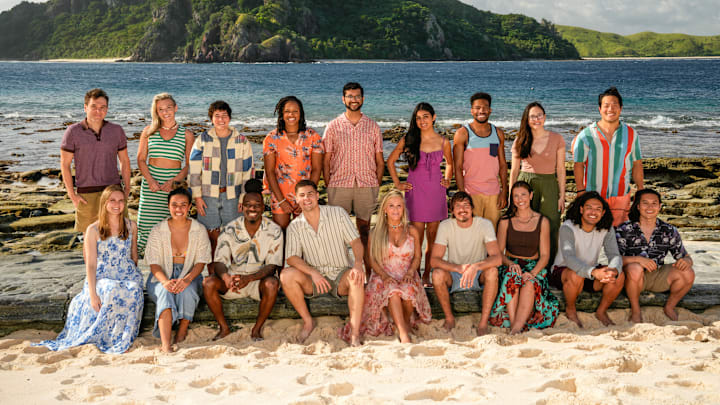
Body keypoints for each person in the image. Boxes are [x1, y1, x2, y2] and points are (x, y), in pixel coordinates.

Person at [35, 185, 143, 354]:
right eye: (112, 200)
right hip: (102, 275)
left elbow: (134, 256)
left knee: (134, 289)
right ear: (104, 203)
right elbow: (91, 264)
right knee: (111, 289)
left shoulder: (131, 226)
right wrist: (92, 294)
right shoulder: (93, 230)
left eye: (121, 201)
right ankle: (105, 337)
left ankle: (120, 336)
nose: (117, 204)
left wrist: (133, 276)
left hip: (126, 273)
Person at [280, 180, 365, 346]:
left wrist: (358, 264)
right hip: (315, 280)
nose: (307, 199)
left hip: (340, 274)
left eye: (310, 194)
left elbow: (355, 242)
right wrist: (313, 273)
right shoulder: (294, 226)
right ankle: (308, 322)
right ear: (296, 199)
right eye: (302, 195)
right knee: (286, 275)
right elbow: (291, 258)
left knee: (356, 277)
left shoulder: (337, 214)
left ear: (317, 195)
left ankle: (354, 334)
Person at [340, 190, 432, 343]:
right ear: (384, 209)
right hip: (382, 275)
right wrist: (384, 276)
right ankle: (403, 334)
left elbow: (417, 257)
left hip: (406, 273)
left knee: (408, 291)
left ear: (403, 209)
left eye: (399, 206)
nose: (395, 210)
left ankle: (402, 322)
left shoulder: (412, 231)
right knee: (392, 291)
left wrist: (410, 273)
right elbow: (372, 260)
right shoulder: (375, 233)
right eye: (391, 206)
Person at [202, 179, 283, 341]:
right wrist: (226, 277)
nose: (252, 208)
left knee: (272, 283)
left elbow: (272, 265)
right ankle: (224, 328)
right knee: (208, 282)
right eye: (248, 204)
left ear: (263, 207)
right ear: (242, 207)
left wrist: (250, 278)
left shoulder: (274, 230)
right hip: (233, 280)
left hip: (257, 281)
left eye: (257, 204)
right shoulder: (230, 229)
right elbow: (219, 261)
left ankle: (257, 329)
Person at [387, 102, 453, 286]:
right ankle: (415, 274)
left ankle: (427, 276)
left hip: (436, 194)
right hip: (415, 193)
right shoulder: (409, 139)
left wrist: (447, 179)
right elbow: (390, 161)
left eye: (425, 117)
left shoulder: (443, 141)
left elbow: (450, 163)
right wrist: (398, 183)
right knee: (417, 238)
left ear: (433, 117)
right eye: (418, 118)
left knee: (433, 238)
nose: (422, 121)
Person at [322, 82, 384, 276]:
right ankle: (340, 273)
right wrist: (328, 184)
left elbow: (380, 160)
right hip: (339, 185)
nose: (354, 100)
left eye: (357, 96)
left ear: (363, 99)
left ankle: (368, 272)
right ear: (343, 99)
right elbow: (326, 160)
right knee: (337, 232)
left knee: (365, 230)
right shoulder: (333, 127)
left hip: (367, 185)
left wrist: (377, 183)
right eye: (350, 96)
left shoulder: (373, 127)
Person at [189, 101, 254, 274]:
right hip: (208, 194)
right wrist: (197, 196)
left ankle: (233, 274)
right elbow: (194, 169)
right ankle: (213, 275)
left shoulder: (241, 140)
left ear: (230, 117)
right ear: (211, 118)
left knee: (234, 235)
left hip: (233, 194)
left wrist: (244, 197)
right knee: (211, 236)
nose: (221, 119)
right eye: (217, 116)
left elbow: (248, 171)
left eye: (224, 115)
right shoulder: (202, 139)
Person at [144, 187, 210, 352]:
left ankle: (181, 333)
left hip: (190, 273)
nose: (178, 209)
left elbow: (201, 262)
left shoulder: (199, 230)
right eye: (174, 205)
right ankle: (166, 345)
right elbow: (153, 264)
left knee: (187, 292)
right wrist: (165, 282)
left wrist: (187, 279)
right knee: (164, 293)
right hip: (161, 275)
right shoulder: (158, 230)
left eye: (183, 205)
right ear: (168, 206)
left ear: (189, 207)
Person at [616, 189, 695, 322]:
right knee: (634, 268)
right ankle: (636, 310)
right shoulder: (624, 229)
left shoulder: (669, 230)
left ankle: (669, 307)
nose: (650, 207)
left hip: (657, 275)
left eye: (654, 203)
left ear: (659, 206)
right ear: (638, 206)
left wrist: (687, 261)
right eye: (645, 203)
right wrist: (638, 260)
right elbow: (615, 260)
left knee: (688, 272)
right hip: (632, 278)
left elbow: (684, 256)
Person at [489, 181, 559, 333]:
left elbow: (545, 255)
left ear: (531, 195)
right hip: (510, 263)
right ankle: (515, 326)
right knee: (512, 277)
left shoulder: (542, 221)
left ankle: (517, 327)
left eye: (523, 195)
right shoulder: (505, 221)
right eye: (515, 196)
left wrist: (532, 273)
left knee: (529, 283)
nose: (520, 199)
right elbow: (498, 253)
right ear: (512, 198)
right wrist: (510, 264)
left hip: (534, 266)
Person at [549, 191, 625, 327]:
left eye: (598, 209)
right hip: (564, 272)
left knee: (619, 276)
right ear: (581, 209)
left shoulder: (606, 228)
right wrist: (594, 272)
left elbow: (614, 254)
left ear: (603, 213)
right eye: (589, 207)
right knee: (576, 275)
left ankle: (601, 312)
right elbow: (569, 257)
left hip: (590, 273)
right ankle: (571, 309)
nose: (593, 212)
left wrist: (613, 270)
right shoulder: (568, 227)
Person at [60, 89, 131, 234]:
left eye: (102, 107)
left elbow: (124, 160)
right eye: (94, 106)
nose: (98, 111)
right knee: (88, 239)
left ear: (107, 109)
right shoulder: (72, 132)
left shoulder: (116, 130)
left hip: (113, 193)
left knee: (119, 235)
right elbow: (65, 165)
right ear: (85, 107)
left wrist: (127, 188)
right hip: (86, 195)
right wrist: (72, 194)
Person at [430, 191, 502, 335]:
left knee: (493, 271)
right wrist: (458, 267)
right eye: (458, 206)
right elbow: (434, 260)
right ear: (452, 210)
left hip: (478, 273)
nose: (462, 209)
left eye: (466, 205)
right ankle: (449, 318)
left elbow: (497, 258)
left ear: (472, 208)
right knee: (437, 274)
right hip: (455, 273)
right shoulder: (445, 225)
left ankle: (483, 323)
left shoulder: (484, 224)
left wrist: (475, 267)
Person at [572, 86, 644, 226]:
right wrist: (580, 190)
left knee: (618, 239)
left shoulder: (631, 134)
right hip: (594, 198)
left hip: (621, 197)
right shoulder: (586, 135)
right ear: (600, 109)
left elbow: (637, 163)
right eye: (606, 105)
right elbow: (578, 164)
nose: (610, 109)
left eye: (614, 105)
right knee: (592, 235)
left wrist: (640, 190)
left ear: (621, 108)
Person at [136, 93, 194, 255]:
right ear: (156, 111)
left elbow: (190, 164)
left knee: (169, 224)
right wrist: (150, 180)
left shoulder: (187, 134)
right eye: (161, 109)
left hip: (173, 186)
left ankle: (166, 258)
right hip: (150, 185)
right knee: (145, 225)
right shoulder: (148, 131)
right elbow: (141, 159)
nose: (165, 111)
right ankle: (143, 259)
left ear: (175, 108)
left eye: (169, 107)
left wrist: (174, 182)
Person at [509, 102, 566, 263]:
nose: (536, 119)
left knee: (552, 224)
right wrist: (510, 196)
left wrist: (562, 196)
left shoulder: (557, 138)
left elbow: (561, 169)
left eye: (539, 115)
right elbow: (513, 171)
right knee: (525, 224)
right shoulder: (520, 140)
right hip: (525, 183)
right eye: (532, 116)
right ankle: (526, 262)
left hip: (549, 184)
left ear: (545, 117)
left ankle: (549, 267)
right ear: (527, 119)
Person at [263, 96, 323, 229]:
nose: (291, 114)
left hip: (305, 195)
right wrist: (282, 201)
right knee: (280, 236)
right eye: (287, 111)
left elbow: (317, 169)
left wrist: (307, 197)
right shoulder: (271, 138)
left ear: (301, 113)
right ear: (281, 114)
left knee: (304, 237)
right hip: (280, 195)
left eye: (295, 111)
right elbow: (270, 172)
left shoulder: (313, 137)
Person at [452, 92, 508, 229]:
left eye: (485, 107)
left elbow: (502, 165)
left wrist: (504, 192)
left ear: (490, 110)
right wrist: (462, 196)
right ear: (472, 111)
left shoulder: (498, 133)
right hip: (471, 193)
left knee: (491, 237)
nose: (481, 111)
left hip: (493, 194)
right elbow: (457, 167)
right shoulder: (462, 134)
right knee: (471, 238)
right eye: (477, 108)